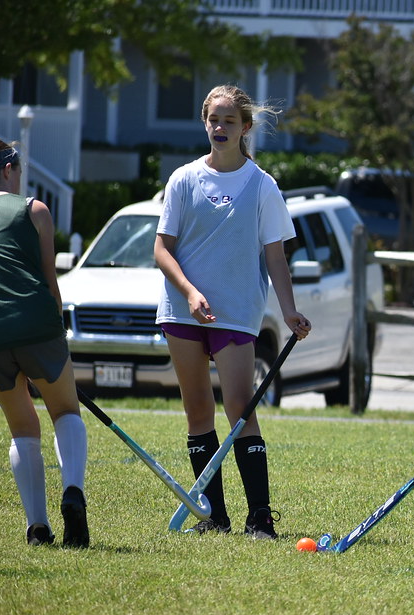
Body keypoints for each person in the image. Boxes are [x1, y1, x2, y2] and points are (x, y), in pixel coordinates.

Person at [154, 84, 310, 540]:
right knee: (198, 411)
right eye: (213, 119)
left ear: (245, 127)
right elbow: (162, 250)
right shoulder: (183, 179)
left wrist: (289, 311)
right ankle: (213, 516)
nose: (220, 127)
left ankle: (259, 517)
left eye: (229, 120)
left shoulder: (262, 186)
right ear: (205, 123)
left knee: (240, 409)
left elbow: (275, 257)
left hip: (237, 312)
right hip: (183, 312)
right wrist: (188, 292)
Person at [0, 136, 90, 547]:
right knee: (65, 410)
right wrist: (57, 334)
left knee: (22, 426)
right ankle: (72, 492)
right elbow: (49, 284)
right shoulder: (34, 210)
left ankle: (38, 526)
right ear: (8, 169)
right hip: (35, 325)